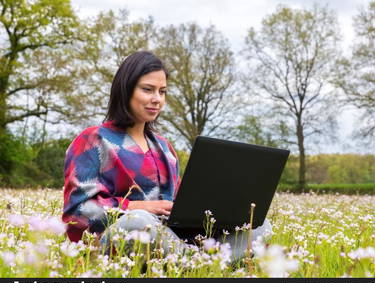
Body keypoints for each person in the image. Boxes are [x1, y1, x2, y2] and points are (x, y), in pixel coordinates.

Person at [62, 50, 272, 261]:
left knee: (258, 225)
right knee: (137, 222)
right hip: (122, 239)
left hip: (171, 239)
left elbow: (179, 206)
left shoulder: (164, 148)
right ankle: (206, 264)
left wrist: (212, 212)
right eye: (147, 90)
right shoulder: (92, 140)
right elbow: (77, 212)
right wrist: (136, 207)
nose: (157, 99)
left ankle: (192, 262)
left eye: (162, 92)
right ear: (125, 90)